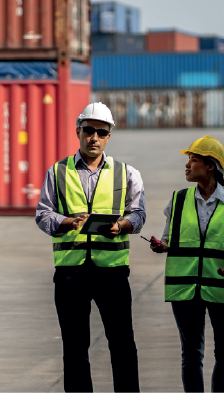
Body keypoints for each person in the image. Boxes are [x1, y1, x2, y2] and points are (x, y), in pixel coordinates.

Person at [35, 102, 146, 393]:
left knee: (122, 344)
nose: (94, 137)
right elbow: (43, 214)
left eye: (101, 132)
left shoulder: (126, 173)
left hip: (112, 273)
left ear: (109, 136)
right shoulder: (57, 172)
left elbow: (138, 214)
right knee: (74, 348)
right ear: (78, 131)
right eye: (88, 130)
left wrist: (121, 226)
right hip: (71, 274)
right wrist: (68, 222)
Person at [150, 136, 224, 393]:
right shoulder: (178, 199)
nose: (187, 165)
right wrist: (161, 246)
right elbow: (168, 238)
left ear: (210, 166)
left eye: (193, 160)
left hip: (223, 285)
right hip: (185, 288)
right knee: (191, 354)